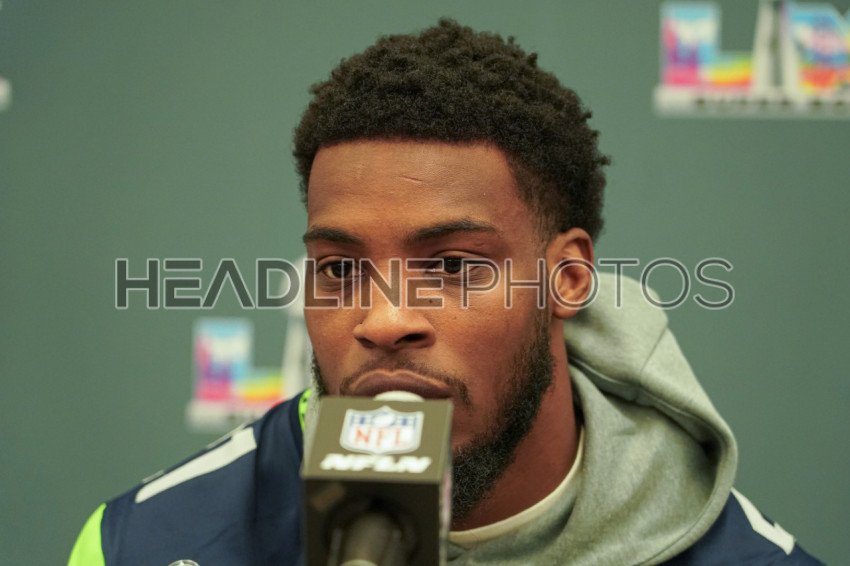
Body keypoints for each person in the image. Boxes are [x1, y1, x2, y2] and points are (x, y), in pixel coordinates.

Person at [69, 19, 821, 565]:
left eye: (454, 267)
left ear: (566, 280)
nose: (384, 319)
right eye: (339, 270)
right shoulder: (145, 545)